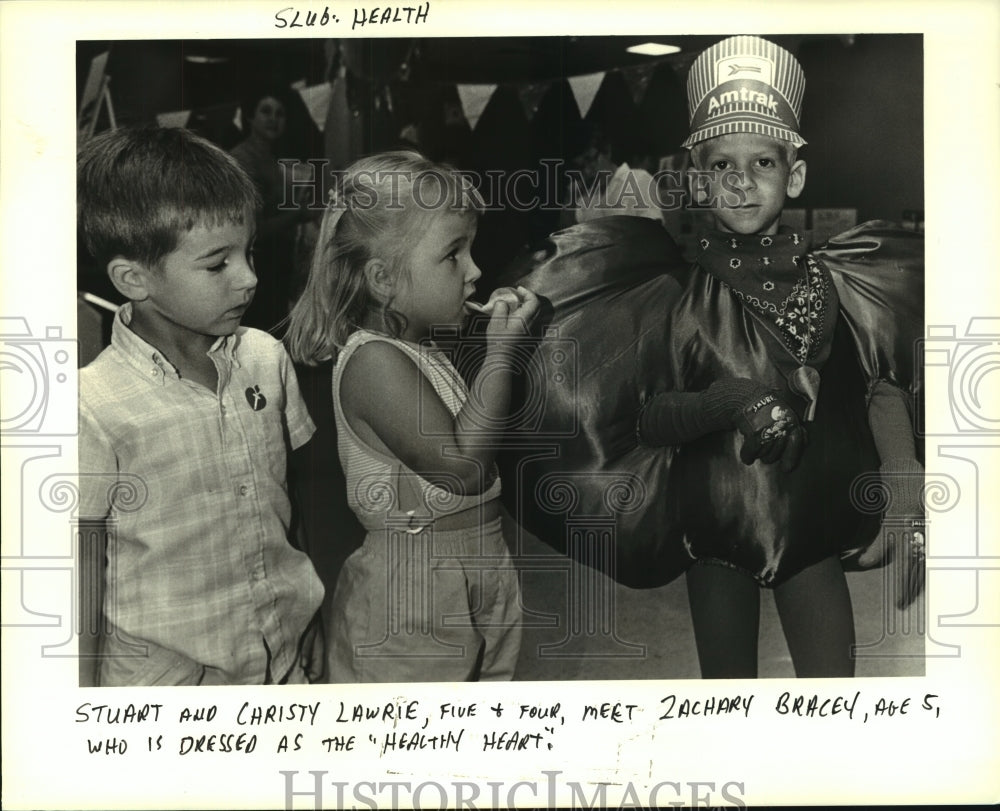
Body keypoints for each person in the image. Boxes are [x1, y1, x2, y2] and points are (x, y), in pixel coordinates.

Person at [496, 36, 923, 679]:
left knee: (833, 692)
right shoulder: (673, 294)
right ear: (698, 179)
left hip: (809, 533)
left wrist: (902, 478)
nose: (743, 182)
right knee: (725, 698)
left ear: (796, 175)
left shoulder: (835, 282)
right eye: (722, 165)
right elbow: (649, 419)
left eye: (763, 164)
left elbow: (877, 380)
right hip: (713, 537)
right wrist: (732, 401)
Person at [77, 126, 324, 686]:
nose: (250, 279)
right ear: (134, 279)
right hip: (166, 687)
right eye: (218, 264)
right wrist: (81, 705)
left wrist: (309, 620)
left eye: (249, 252)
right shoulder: (92, 405)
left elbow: (286, 506)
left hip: (283, 664)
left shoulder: (265, 358)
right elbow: (85, 568)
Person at [285, 151, 537, 682]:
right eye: (453, 255)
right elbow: (462, 467)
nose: (475, 271)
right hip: (414, 588)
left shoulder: (424, 351)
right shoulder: (374, 360)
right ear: (383, 280)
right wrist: (500, 356)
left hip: (482, 562)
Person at [230, 89, 311, 331]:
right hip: (256, 261)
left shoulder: (272, 159)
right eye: (266, 111)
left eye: (280, 114)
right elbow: (255, 229)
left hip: (276, 262)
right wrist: (299, 213)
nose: (273, 119)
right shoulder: (243, 159)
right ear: (250, 118)